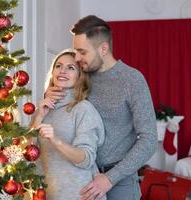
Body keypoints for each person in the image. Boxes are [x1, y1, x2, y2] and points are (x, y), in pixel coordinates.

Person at [46, 15, 158, 200]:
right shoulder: (82, 75)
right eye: (76, 51)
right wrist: (50, 96)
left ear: (103, 49)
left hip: (118, 181)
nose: (77, 58)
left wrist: (110, 178)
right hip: (82, 177)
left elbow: (149, 140)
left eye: (82, 52)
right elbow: (64, 110)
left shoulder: (131, 80)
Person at [32, 49, 106, 200]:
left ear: (80, 76)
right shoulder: (43, 108)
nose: (63, 71)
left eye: (71, 68)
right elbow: (25, 152)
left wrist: (56, 140)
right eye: (58, 66)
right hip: (46, 194)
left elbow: (86, 159)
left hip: (78, 195)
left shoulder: (83, 109)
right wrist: (38, 117)